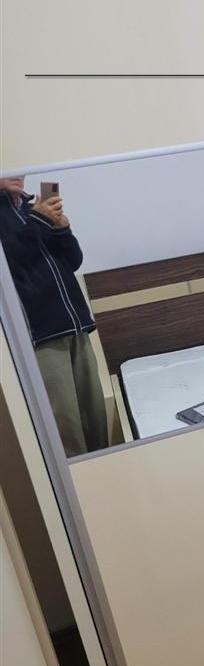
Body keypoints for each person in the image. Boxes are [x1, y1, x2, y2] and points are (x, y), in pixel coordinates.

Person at [0, 176, 108, 456]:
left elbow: (73, 261)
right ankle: (77, 478)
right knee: (66, 423)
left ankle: (105, 470)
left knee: (95, 413)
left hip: (75, 324)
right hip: (40, 334)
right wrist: (38, 220)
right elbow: (10, 262)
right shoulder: (30, 213)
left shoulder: (31, 206)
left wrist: (62, 229)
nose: (18, 174)